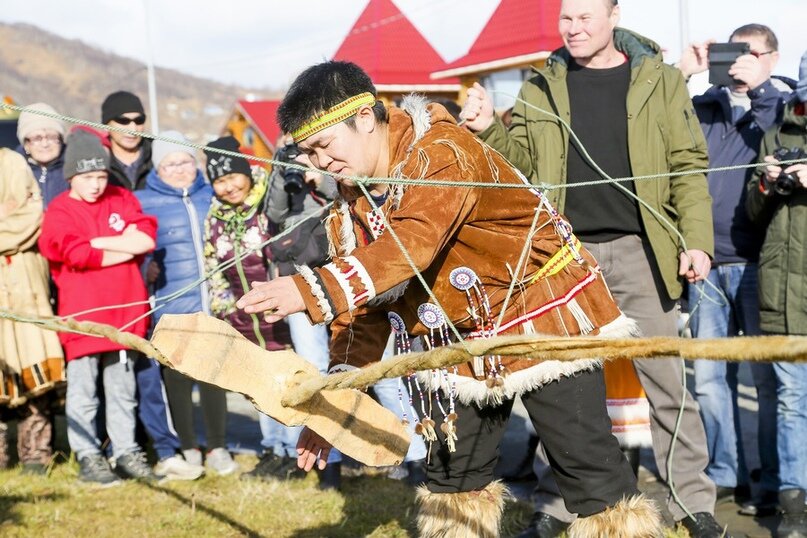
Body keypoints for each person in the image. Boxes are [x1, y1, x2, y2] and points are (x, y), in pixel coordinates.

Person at [236, 60, 662, 537]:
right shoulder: (348, 206)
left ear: (363, 118)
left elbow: (412, 245)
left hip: (540, 308)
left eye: (323, 145)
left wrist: (312, 288)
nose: (319, 162)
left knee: (588, 467)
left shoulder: (442, 152)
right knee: (451, 480)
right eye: (308, 153)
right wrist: (335, 404)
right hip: (454, 335)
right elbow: (362, 316)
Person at [461, 0, 721, 535]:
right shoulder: (540, 85)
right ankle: (556, 505)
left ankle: (693, 504)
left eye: (585, 17)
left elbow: (689, 167)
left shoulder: (661, 81)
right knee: (563, 391)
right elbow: (521, 170)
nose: (573, 28)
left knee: (668, 386)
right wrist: (488, 128)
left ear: (614, 16)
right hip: (564, 259)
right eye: (566, 18)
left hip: (642, 252)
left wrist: (696, 241)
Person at [678, 23, 794, 515]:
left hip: (759, 265)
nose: (739, 64)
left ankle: (769, 482)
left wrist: (760, 89)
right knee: (706, 380)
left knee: (766, 383)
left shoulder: (781, 105)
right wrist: (684, 72)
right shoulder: (704, 107)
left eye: (751, 54)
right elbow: (663, 120)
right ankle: (727, 474)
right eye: (732, 54)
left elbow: (778, 132)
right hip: (707, 262)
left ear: (772, 57)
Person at [38, 130, 158, 485]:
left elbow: (145, 239)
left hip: (125, 312)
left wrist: (96, 244)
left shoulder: (120, 198)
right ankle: (89, 455)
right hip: (82, 318)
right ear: (71, 176)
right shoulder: (60, 209)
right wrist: (123, 246)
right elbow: (74, 253)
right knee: (83, 393)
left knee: (123, 392)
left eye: (101, 176)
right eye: (87, 177)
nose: (95, 184)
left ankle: (125, 451)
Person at [202, 136, 298, 481]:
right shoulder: (214, 218)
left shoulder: (268, 207)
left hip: (278, 312)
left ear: (246, 171)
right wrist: (225, 308)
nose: (228, 187)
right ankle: (272, 450)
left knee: (288, 383)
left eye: (233, 177)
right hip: (242, 317)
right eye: (219, 180)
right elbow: (212, 267)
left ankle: (293, 451)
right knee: (259, 386)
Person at [745, 50, 807, 538]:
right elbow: (751, 213)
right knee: (791, 401)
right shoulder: (777, 134)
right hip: (783, 292)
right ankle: (793, 508)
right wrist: (766, 183)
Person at [134, 130, 220, 480]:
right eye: (171, 164)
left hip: (213, 305)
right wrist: (144, 267)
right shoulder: (143, 201)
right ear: (159, 169)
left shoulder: (211, 195)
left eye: (185, 161)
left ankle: (218, 445)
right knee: (178, 379)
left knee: (216, 375)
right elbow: (136, 247)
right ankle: (188, 446)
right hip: (171, 306)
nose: (180, 169)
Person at [0, 148, 65, 474]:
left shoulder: (11, 161)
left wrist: (10, 219)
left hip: (24, 280)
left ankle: (36, 454)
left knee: (33, 360)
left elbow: (29, 217)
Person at [16, 103, 68, 209]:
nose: (45, 144)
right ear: (26, 144)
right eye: (37, 138)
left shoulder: (74, 169)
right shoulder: (13, 169)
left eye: (52, 137)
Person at [101, 91, 152, 191]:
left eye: (139, 120)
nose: (133, 129)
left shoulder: (157, 154)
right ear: (106, 125)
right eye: (123, 121)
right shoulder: (97, 158)